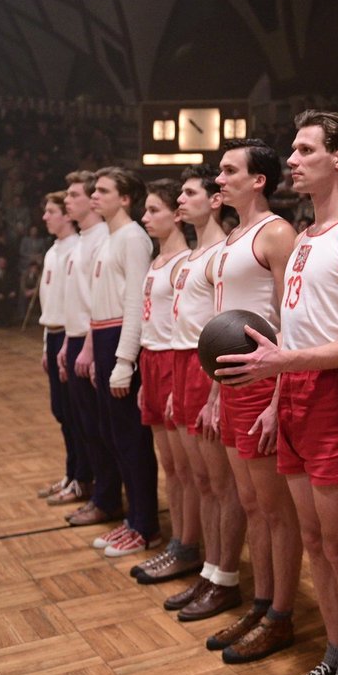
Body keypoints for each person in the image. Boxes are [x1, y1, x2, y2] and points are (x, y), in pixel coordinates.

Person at [214, 110, 338, 675]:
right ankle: (336, 653)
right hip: (294, 393)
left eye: (305, 148)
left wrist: (292, 363)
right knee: (313, 539)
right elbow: (291, 329)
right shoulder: (307, 235)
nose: (292, 158)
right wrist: (279, 389)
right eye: (291, 148)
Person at [203, 140, 304, 663]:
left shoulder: (278, 233)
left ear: (258, 180)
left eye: (228, 171)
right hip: (234, 384)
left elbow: (290, 321)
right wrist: (218, 393)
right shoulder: (231, 238)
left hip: (264, 384)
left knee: (275, 510)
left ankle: (281, 615)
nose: (218, 179)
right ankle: (262, 603)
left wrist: (277, 399)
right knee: (251, 505)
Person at [159, 165, 245, 622]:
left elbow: (222, 328)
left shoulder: (222, 252)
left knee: (221, 482)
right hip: (181, 367)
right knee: (201, 480)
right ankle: (209, 568)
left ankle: (225, 575)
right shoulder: (193, 254)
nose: (180, 201)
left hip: (206, 367)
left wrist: (213, 388)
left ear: (215, 200)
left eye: (190, 193)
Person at [85, 167, 159, 557]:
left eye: (103, 190)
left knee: (131, 440)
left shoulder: (132, 238)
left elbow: (135, 303)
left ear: (125, 198)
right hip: (103, 335)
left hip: (118, 337)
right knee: (113, 436)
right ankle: (132, 519)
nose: (94, 195)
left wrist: (124, 359)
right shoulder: (111, 238)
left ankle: (145, 525)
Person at [130, 180, 200, 582]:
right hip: (152, 361)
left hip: (175, 361)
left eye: (154, 210)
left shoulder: (186, 262)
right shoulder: (156, 262)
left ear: (176, 214)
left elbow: (183, 324)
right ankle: (178, 541)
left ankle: (189, 544)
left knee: (188, 469)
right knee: (170, 467)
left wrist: (174, 379)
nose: (145, 217)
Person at [58, 171, 116, 526]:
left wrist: (88, 345)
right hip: (79, 336)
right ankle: (96, 491)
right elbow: (76, 300)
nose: (68, 200)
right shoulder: (82, 240)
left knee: (98, 429)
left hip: (94, 338)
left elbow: (99, 300)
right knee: (84, 426)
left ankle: (107, 497)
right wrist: (69, 339)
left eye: (73, 194)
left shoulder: (101, 239)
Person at [35, 190, 90, 508]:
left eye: (51, 211)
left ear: (66, 216)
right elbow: (50, 303)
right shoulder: (53, 251)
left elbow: (75, 303)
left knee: (74, 413)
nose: (46, 216)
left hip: (71, 336)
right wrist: (47, 343)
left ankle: (83, 478)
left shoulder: (76, 250)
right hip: (55, 335)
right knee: (62, 412)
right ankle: (72, 474)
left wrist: (68, 340)